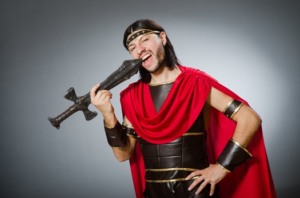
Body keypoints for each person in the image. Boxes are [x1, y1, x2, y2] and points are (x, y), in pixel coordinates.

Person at [90, 19, 277, 198]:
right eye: (132, 48)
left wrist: (222, 167)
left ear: (162, 38)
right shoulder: (132, 96)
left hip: (197, 191)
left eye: (145, 39)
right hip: (154, 193)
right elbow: (123, 155)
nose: (139, 50)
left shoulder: (195, 83)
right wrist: (108, 115)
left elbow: (250, 119)